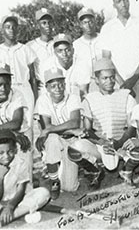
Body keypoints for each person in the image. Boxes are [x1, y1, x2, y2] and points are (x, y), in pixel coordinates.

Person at [68, 59, 136, 188]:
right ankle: (95, 170)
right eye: (104, 78)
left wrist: (120, 142)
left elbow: (131, 126)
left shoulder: (126, 95)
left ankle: (127, 170)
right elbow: (87, 130)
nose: (109, 81)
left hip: (122, 142)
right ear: (97, 80)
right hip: (101, 145)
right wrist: (101, 142)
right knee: (76, 147)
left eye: (111, 77)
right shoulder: (89, 99)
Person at [0, 129, 50, 228]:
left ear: (15, 150)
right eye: (0, 153)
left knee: (43, 192)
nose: (6, 156)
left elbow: (21, 190)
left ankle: (2, 221)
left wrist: (10, 207)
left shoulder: (21, 162)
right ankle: (20, 214)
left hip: (18, 201)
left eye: (10, 151)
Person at [0, 15, 38, 142]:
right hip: (6, 90)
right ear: (2, 30)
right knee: (8, 123)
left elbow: (33, 78)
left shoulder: (26, 49)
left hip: (24, 88)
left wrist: (36, 98)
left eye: (14, 27)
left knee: (27, 125)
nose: (11, 30)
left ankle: (28, 155)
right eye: (8, 27)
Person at [34, 68, 82, 200]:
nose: (58, 88)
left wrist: (50, 129)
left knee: (69, 187)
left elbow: (75, 122)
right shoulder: (42, 100)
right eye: (53, 85)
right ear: (47, 88)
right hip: (55, 140)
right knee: (52, 139)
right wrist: (51, 129)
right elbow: (46, 126)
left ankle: (64, 170)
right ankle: (54, 180)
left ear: (65, 84)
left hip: (72, 141)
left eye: (61, 84)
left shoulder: (73, 97)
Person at [100, 0, 139, 102]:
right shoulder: (107, 28)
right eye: (119, 1)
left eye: (125, 0)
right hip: (117, 82)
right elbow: (106, 59)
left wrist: (134, 78)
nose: (123, 4)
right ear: (114, 5)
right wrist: (123, 83)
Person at [44, 33, 91, 98]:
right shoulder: (47, 65)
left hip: (76, 102)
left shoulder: (82, 64)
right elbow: (48, 93)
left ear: (73, 50)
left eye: (67, 50)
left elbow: (83, 92)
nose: (64, 54)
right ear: (54, 52)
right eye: (60, 51)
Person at [73, 7, 103, 93]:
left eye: (90, 21)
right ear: (80, 24)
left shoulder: (103, 39)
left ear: (95, 22)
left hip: (105, 82)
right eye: (85, 22)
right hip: (85, 86)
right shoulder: (76, 45)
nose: (88, 25)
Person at [27, 8, 55, 95]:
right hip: (42, 89)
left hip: (59, 86)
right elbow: (30, 74)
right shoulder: (30, 46)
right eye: (44, 23)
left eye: (49, 22)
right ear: (38, 25)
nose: (47, 25)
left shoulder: (58, 43)